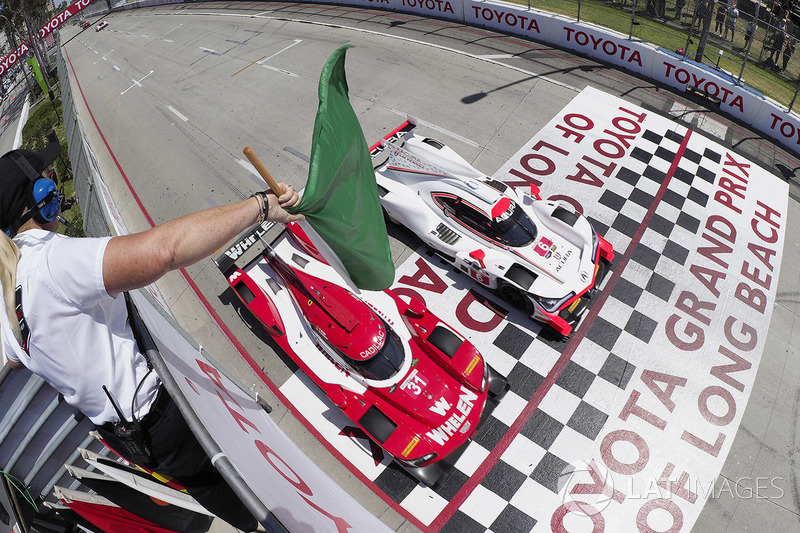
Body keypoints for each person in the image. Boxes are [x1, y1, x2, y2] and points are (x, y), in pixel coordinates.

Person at [0, 137, 304, 532]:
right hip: (168, 416)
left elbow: (13, 356)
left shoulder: (9, 292)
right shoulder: (51, 263)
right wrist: (259, 207)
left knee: (235, 504)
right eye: (48, 180)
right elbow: (164, 251)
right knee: (272, 487)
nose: (54, 184)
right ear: (40, 198)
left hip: (135, 439)